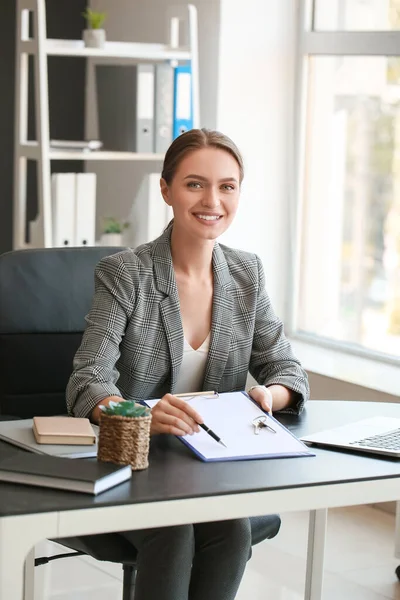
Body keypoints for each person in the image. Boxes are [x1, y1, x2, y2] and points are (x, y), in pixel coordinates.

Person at [66, 128, 310, 600]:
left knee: (231, 530)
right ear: (167, 189)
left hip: (208, 467)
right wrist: (137, 413)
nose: (212, 200)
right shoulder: (126, 273)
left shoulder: (247, 273)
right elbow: (87, 380)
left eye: (227, 186)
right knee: (174, 531)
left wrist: (267, 396)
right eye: (195, 184)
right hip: (131, 465)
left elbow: (285, 367)